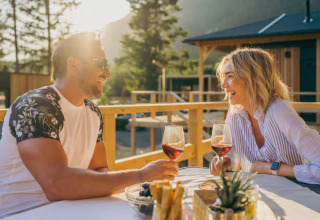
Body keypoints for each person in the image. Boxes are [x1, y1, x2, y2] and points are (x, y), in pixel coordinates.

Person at [0, 32, 178, 218]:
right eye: (101, 64)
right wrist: (142, 176)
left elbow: (99, 170)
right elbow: (56, 184)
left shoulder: (92, 112)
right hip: (21, 214)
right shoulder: (35, 106)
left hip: (71, 210)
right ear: (74, 65)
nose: (108, 74)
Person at [209, 48, 320, 184]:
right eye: (223, 77)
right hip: (256, 195)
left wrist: (271, 168)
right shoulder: (234, 113)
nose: (223, 84)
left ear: (253, 78)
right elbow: (230, 154)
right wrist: (224, 161)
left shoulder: (279, 110)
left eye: (230, 76)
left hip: (293, 195)